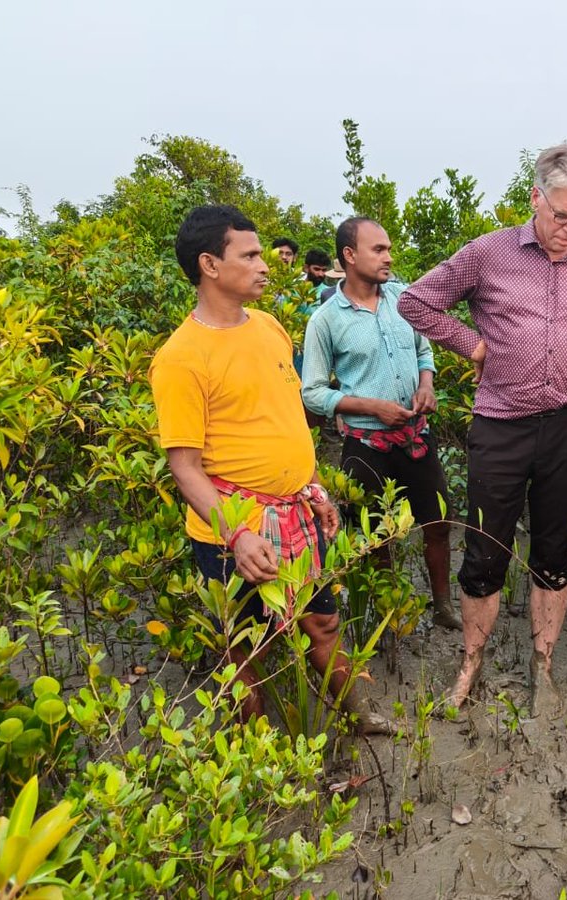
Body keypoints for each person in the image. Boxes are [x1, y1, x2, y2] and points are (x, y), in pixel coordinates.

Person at [398, 142, 567, 713]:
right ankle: (471, 664)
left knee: (554, 548)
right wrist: (472, 343)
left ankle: (542, 667)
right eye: (562, 215)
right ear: (536, 199)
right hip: (501, 423)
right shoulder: (488, 253)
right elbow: (418, 302)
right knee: (485, 549)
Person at [150, 204, 388, 734]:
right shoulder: (181, 358)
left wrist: (314, 487)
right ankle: (259, 754)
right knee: (244, 651)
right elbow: (185, 468)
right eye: (251, 255)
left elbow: (283, 419)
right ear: (210, 265)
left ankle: (360, 718)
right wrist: (235, 533)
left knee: (322, 622)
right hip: (234, 530)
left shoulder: (270, 327)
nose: (265, 265)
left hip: (296, 511)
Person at [301, 217, 459, 631]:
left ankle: (442, 606)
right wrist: (373, 407)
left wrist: (426, 386)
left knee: (439, 522)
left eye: (389, 248)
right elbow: (313, 392)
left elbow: (425, 353)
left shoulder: (403, 298)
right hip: (366, 446)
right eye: (378, 250)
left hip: (416, 438)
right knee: (378, 540)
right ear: (349, 256)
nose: (389, 257)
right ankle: (389, 620)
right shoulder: (325, 320)